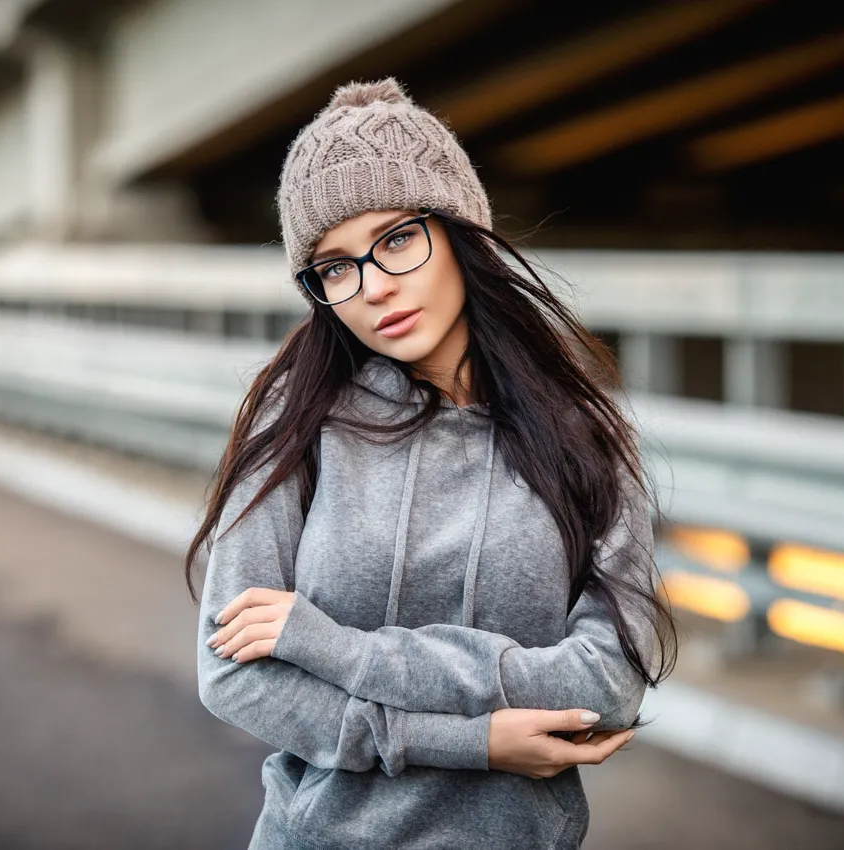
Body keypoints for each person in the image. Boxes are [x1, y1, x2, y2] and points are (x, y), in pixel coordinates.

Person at [186, 77, 676, 850]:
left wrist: (337, 649)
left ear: (458, 231)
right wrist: (470, 742)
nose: (374, 287)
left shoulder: (586, 437)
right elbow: (235, 676)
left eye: (397, 239)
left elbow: (608, 685)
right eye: (335, 267)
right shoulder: (297, 422)